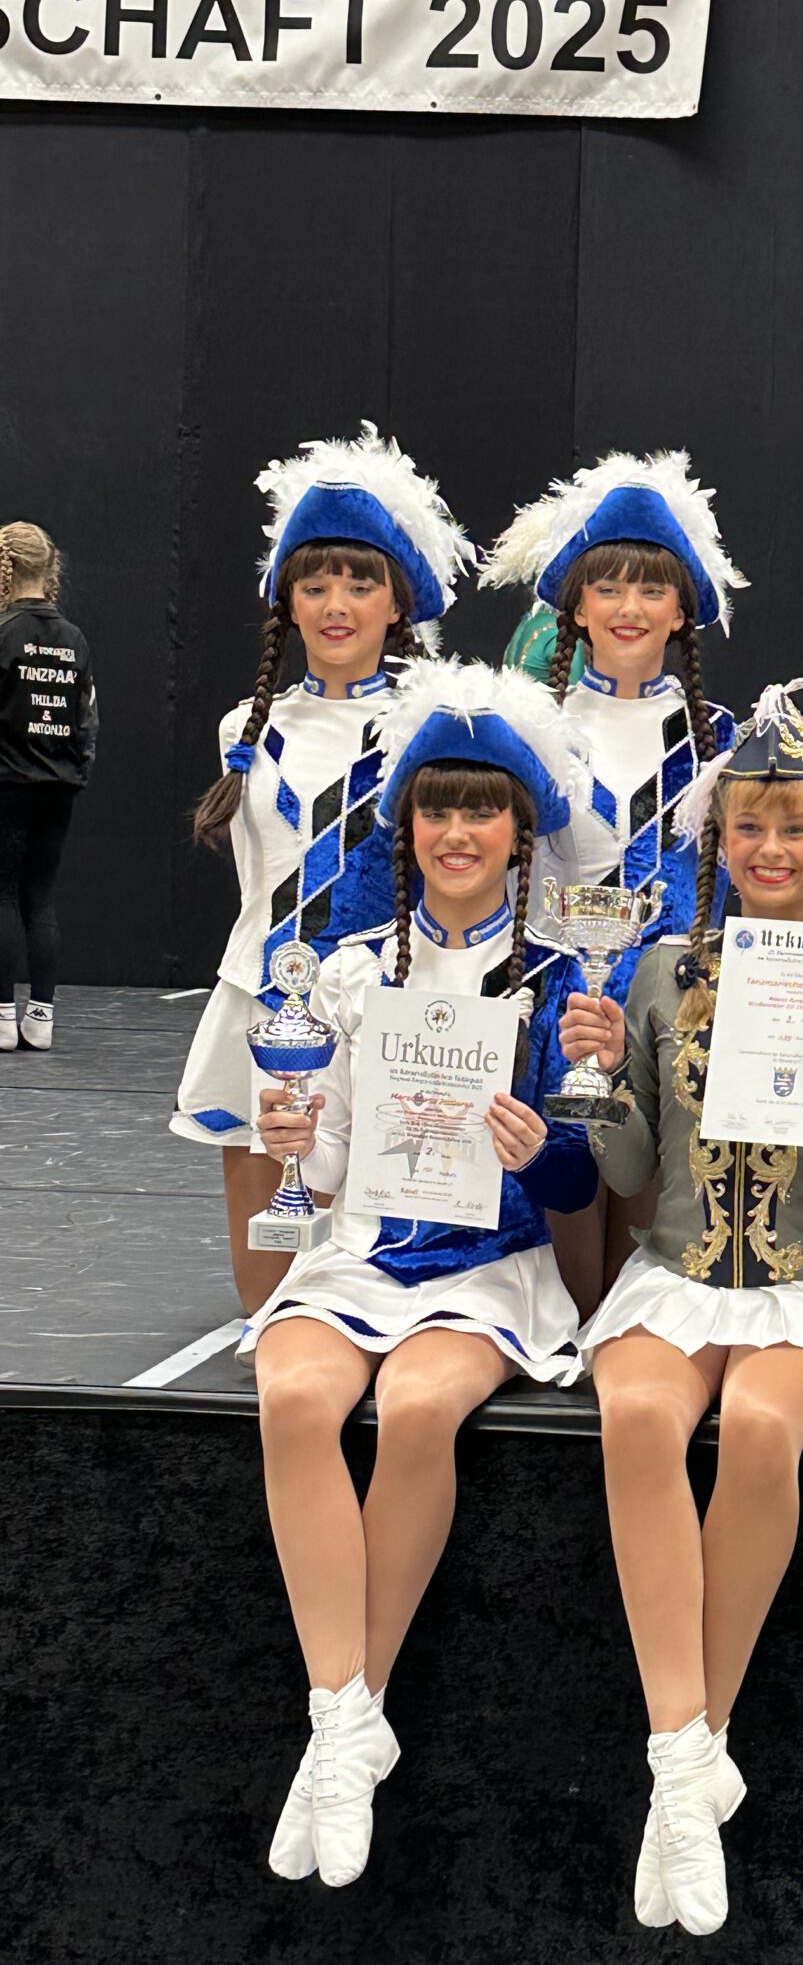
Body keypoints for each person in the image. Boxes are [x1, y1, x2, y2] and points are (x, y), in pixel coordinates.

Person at [557, 684, 803, 1939]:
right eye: (750, 828)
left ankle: (689, 1754)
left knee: (762, 1426)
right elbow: (627, 1172)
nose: (771, 849)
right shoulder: (661, 969)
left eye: (796, 829)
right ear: (720, 837)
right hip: (675, 1271)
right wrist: (604, 1077)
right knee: (637, 1416)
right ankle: (684, 1756)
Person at [240, 661, 596, 1892]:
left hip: (490, 1266)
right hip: (359, 1254)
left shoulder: (562, 980)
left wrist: (540, 1147)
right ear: (407, 828)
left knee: (422, 1407)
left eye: (482, 809)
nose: (457, 831)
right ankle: (345, 1720)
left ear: (519, 833)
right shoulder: (346, 974)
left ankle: (346, 1724)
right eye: (437, 807)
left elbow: (578, 1185)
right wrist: (292, 1135)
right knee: (294, 1395)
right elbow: (333, 1162)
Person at [174, 427, 475, 1312]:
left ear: (398, 603)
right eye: (315, 586)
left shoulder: (434, 729)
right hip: (258, 1004)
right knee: (263, 1315)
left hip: (385, 1013)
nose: (336, 605)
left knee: (367, 1298)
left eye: (360, 584)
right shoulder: (243, 728)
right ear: (289, 604)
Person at [482, 452, 743, 1310]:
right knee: (563, 1213)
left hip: (676, 1009)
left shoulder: (723, 738)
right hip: (559, 1001)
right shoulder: (531, 726)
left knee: (647, 1224)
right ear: (575, 606)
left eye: (652, 590)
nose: (629, 608)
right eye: (608, 588)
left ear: (683, 609)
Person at [0, 523, 95, 1052]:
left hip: (7, 783)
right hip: (59, 786)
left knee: (2, 895)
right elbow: (87, 719)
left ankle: (1, 1015)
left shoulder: (3, 633)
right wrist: (75, 771)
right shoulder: (74, 639)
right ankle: (41, 1017)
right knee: (39, 899)